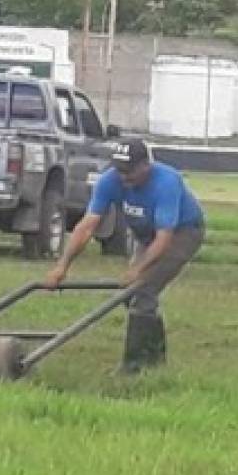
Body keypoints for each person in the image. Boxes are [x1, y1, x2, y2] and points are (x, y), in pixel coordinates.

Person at [44, 139, 205, 373]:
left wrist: (138, 270)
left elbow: (163, 239)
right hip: (146, 235)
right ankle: (155, 358)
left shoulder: (166, 182)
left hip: (181, 233)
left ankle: (135, 366)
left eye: (129, 171)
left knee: (141, 289)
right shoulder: (109, 180)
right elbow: (87, 226)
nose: (123, 177)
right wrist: (62, 267)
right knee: (132, 296)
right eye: (119, 170)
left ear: (145, 166)